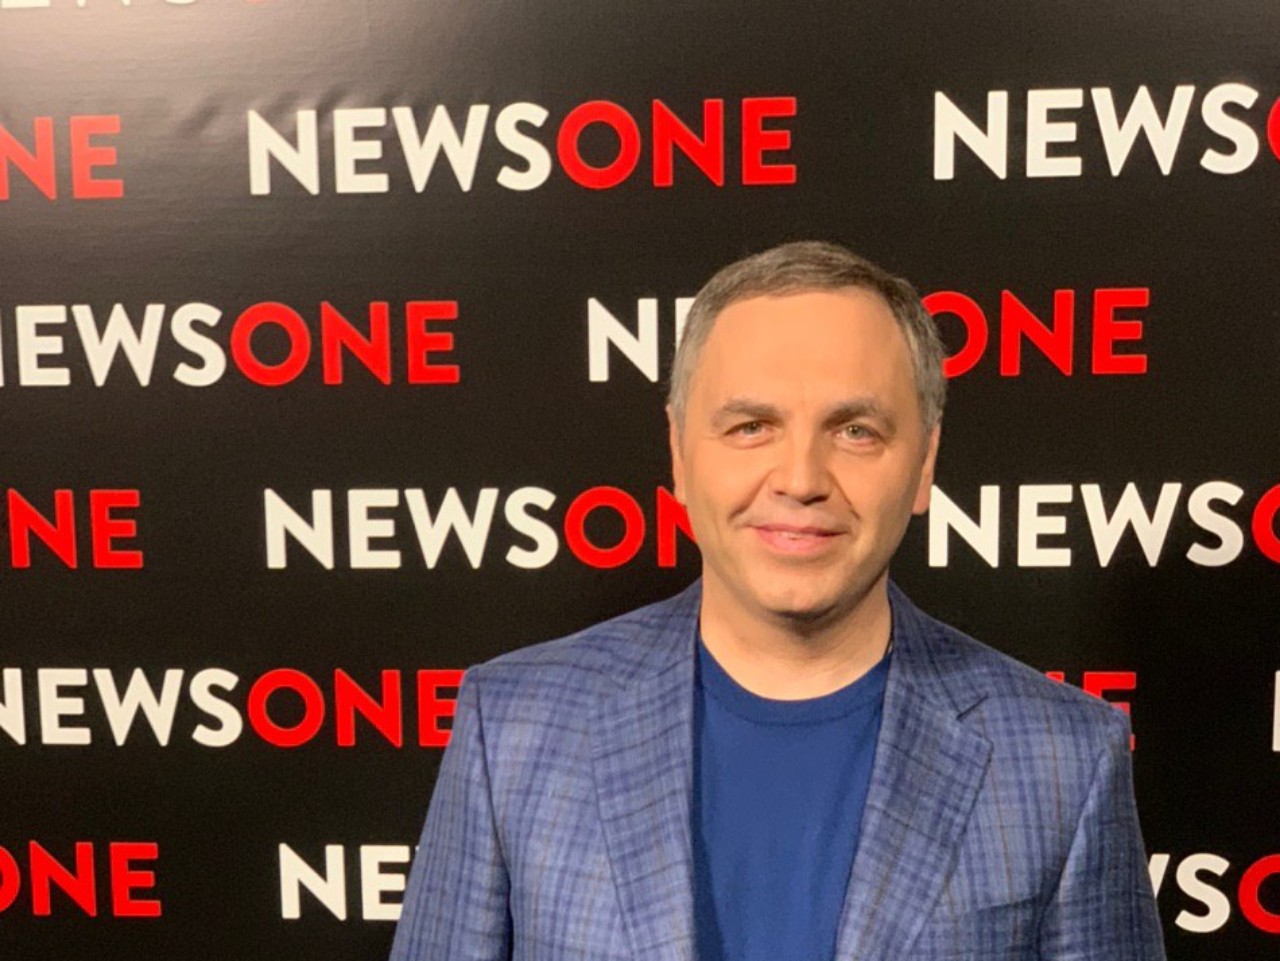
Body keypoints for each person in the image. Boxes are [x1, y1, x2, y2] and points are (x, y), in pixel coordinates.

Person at [389, 241, 1166, 961]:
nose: (800, 478)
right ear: (679, 451)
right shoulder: (512, 727)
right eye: (751, 426)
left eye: (856, 430)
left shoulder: (1066, 758)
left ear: (924, 461)